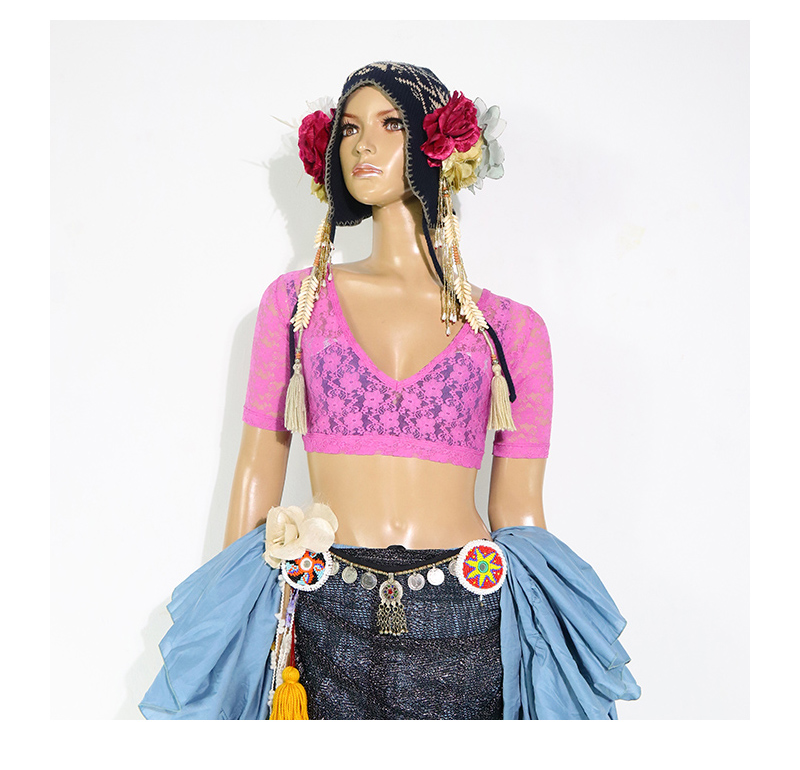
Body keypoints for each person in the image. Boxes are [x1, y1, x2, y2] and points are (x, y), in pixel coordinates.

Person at [139, 61, 641, 720]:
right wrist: (230, 630)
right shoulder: (296, 304)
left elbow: (519, 512)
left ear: (440, 147)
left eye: (390, 124)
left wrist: (551, 651)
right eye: (349, 128)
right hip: (320, 606)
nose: (363, 145)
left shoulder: (512, 331)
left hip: (470, 611)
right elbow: (257, 472)